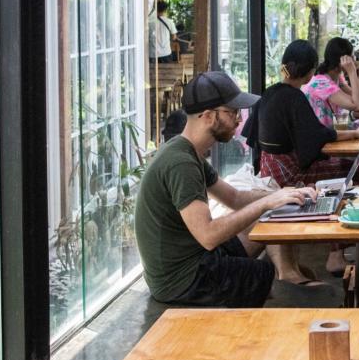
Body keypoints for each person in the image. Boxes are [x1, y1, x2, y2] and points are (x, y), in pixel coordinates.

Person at [134, 71, 317, 307]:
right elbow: (208, 236)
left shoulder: (187, 152)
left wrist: (283, 196)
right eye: (233, 112)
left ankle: (290, 275)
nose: (240, 120)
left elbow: (235, 197)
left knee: (268, 220)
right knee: (281, 291)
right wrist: (266, 203)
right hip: (184, 278)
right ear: (209, 116)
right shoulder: (181, 164)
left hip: (195, 257)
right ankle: (290, 290)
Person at [243, 40, 359, 186]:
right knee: (351, 168)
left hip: (268, 171)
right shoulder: (294, 97)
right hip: (288, 176)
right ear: (310, 71)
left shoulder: (269, 92)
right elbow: (319, 136)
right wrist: (356, 133)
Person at [303, 37, 359, 128]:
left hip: (331, 131)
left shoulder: (336, 77)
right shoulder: (322, 84)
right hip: (321, 138)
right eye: (351, 57)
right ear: (343, 60)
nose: (354, 60)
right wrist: (352, 72)